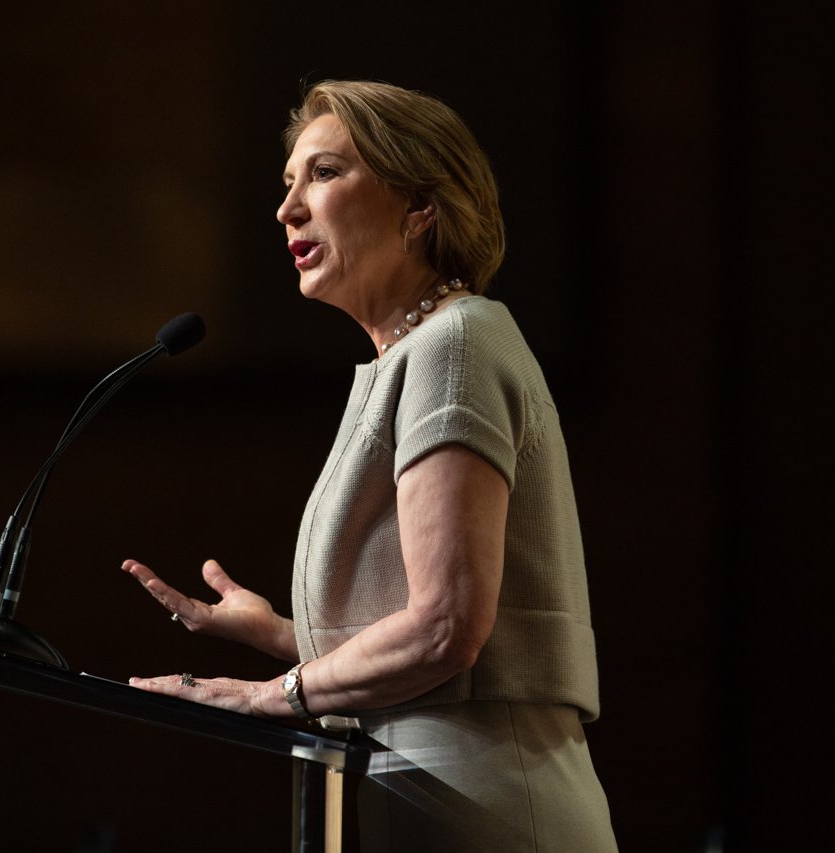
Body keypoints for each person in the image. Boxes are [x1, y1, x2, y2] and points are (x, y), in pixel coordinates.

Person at [121, 80, 616, 852]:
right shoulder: (410, 358)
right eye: (287, 184)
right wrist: (289, 634)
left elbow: (449, 628)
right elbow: (420, 624)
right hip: (424, 797)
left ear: (419, 206)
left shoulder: (456, 347)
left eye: (322, 174)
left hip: (487, 807)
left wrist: (272, 696)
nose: (288, 210)